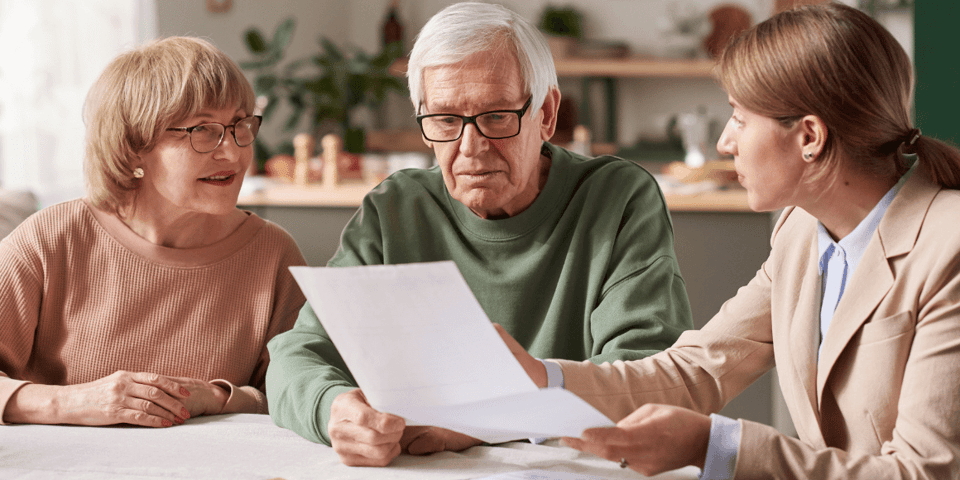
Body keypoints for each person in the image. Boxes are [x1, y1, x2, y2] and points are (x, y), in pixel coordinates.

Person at [499, 3, 960, 478]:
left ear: (810, 137)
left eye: (738, 118)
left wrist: (718, 446)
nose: (724, 142)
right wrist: (542, 379)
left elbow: (926, 472)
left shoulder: (950, 248)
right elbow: (697, 370)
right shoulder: (800, 232)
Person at [266, 1, 692, 467]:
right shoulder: (396, 209)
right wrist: (333, 410)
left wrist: (484, 424)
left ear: (546, 114)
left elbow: (648, 379)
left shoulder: (618, 198)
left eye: (496, 116)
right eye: (446, 121)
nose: (471, 148)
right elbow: (296, 356)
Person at [0, 37, 306, 428]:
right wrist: (72, 402)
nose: (234, 153)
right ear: (132, 147)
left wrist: (217, 397)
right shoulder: (51, 239)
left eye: (239, 124)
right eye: (203, 130)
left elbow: (302, 393)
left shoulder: (272, 252)